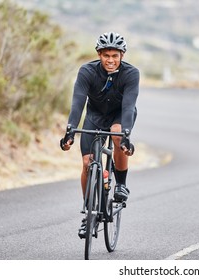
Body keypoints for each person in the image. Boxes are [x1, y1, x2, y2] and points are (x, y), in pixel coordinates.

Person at [60, 32, 139, 236]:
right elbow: (78, 103)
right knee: (87, 163)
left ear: (122, 55)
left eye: (115, 55)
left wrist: (126, 135)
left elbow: (129, 106)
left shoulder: (131, 73)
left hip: (120, 115)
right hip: (94, 115)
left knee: (116, 133)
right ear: (99, 54)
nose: (110, 60)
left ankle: (120, 185)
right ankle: (89, 213)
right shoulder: (87, 71)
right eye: (106, 55)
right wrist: (70, 130)